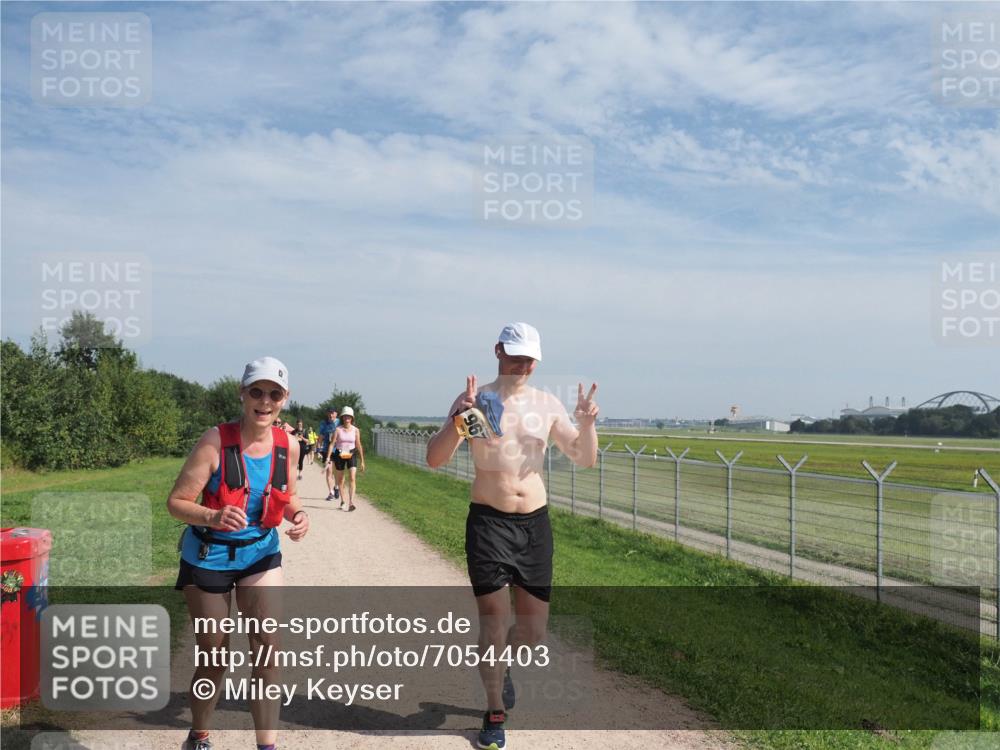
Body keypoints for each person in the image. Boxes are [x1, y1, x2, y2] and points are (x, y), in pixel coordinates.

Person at [426, 323, 599, 750]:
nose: (521, 366)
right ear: (498, 351)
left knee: (533, 633)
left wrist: (587, 423)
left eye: (528, 359)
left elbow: (585, 458)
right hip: (488, 522)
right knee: (494, 621)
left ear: (537, 361)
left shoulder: (547, 404)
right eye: (514, 356)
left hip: (534, 525)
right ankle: (493, 714)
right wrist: (457, 419)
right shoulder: (475, 401)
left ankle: (501, 668)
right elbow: (434, 459)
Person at [167, 356, 310, 750]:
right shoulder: (215, 441)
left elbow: (289, 495)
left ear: (285, 399)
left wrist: (298, 515)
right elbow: (176, 502)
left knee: (267, 647)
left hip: (260, 553)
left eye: (274, 394)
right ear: (242, 394)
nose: (265, 401)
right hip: (207, 556)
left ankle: (267, 745)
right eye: (257, 392)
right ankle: (199, 735)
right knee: (213, 655)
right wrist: (212, 515)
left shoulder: (289, 446)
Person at [327, 405, 365, 511]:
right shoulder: (338, 430)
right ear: (342, 418)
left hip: (351, 454)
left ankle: (351, 502)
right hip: (340, 455)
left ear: (352, 418)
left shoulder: (356, 430)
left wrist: (362, 460)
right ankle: (343, 501)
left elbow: (358, 444)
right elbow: (332, 444)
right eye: (345, 416)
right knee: (341, 479)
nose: (347, 418)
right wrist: (328, 457)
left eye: (349, 417)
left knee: (352, 477)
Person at [318, 407, 340, 501]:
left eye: (333, 413)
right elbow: (321, 437)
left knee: (338, 471)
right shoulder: (324, 423)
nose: (331, 415)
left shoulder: (340, 422)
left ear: (336, 414)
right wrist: (318, 449)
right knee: (329, 471)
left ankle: (336, 487)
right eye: (329, 413)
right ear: (327, 414)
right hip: (328, 450)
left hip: (339, 450)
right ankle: (331, 492)